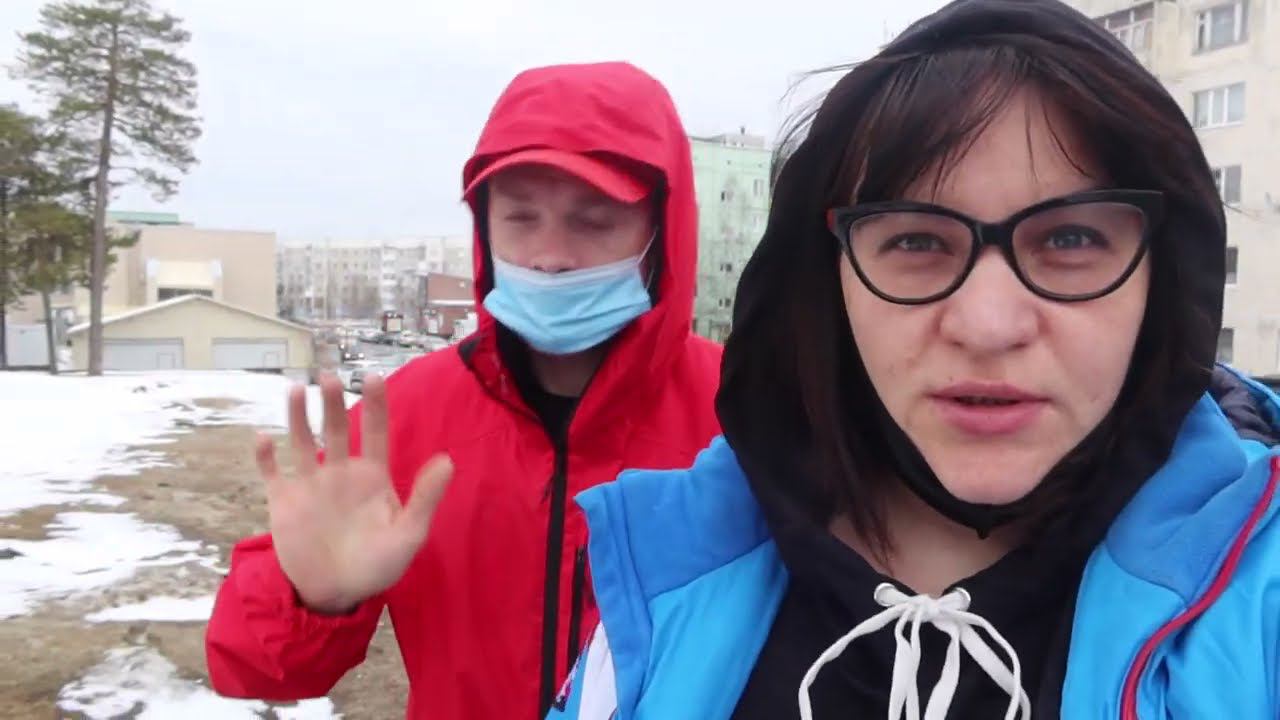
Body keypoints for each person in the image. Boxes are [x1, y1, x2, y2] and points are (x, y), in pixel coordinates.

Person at [548, 1, 1280, 718]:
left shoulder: (1260, 602)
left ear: (1163, 279)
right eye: (916, 242)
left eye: (1071, 240)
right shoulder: (668, 582)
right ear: (828, 282)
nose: (987, 327)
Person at [205, 61, 722, 719]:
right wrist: (316, 599)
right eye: (520, 217)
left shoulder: (747, 412)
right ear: (483, 229)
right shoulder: (405, 418)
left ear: (662, 231)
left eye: (594, 221)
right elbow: (251, 666)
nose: (550, 256)